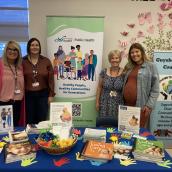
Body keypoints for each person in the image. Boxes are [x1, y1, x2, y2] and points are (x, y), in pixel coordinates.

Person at [123, 43, 159, 129]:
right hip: (126, 106)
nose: (134, 54)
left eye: (137, 51)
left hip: (141, 106)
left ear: (142, 52)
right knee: (127, 130)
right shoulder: (129, 66)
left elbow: (155, 89)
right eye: (132, 52)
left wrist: (149, 105)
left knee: (139, 131)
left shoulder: (151, 66)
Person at [23, 38, 55, 124]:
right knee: (29, 120)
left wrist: (51, 95)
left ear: (39, 47)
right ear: (29, 47)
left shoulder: (46, 61)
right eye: (32, 45)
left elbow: (51, 79)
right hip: (28, 95)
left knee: (42, 120)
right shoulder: (23, 61)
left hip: (43, 95)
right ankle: (30, 137)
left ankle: (41, 137)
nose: (34, 47)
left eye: (37, 45)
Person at [96, 50, 124, 127]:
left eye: (117, 58)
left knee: (117, 125)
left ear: (120, 59)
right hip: (104, 103)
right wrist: (97, 102)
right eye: (112, 58)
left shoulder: (125, 72)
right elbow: (99, 87)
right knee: (104, 125)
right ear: (109, 60)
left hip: (118, 103)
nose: (115, 60)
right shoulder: (104, 71)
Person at [0, 40, 24, 126]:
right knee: (4, 129)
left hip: (17, 102)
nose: (12, 52)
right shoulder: (1, 64)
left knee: (16, 128)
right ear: (5, 51)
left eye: (15, 50)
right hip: (3, 103)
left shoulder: (20, 66)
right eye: (9, 49)